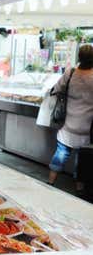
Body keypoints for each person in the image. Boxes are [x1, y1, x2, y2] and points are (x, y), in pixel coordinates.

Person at [48, 44, 93, 192]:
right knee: (82, 160)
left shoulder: (71, 73)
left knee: (61, 153)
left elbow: (56, 89)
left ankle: (50, 182)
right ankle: (79, 189)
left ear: (79, 57)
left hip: (68, 124)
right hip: (87, 127)